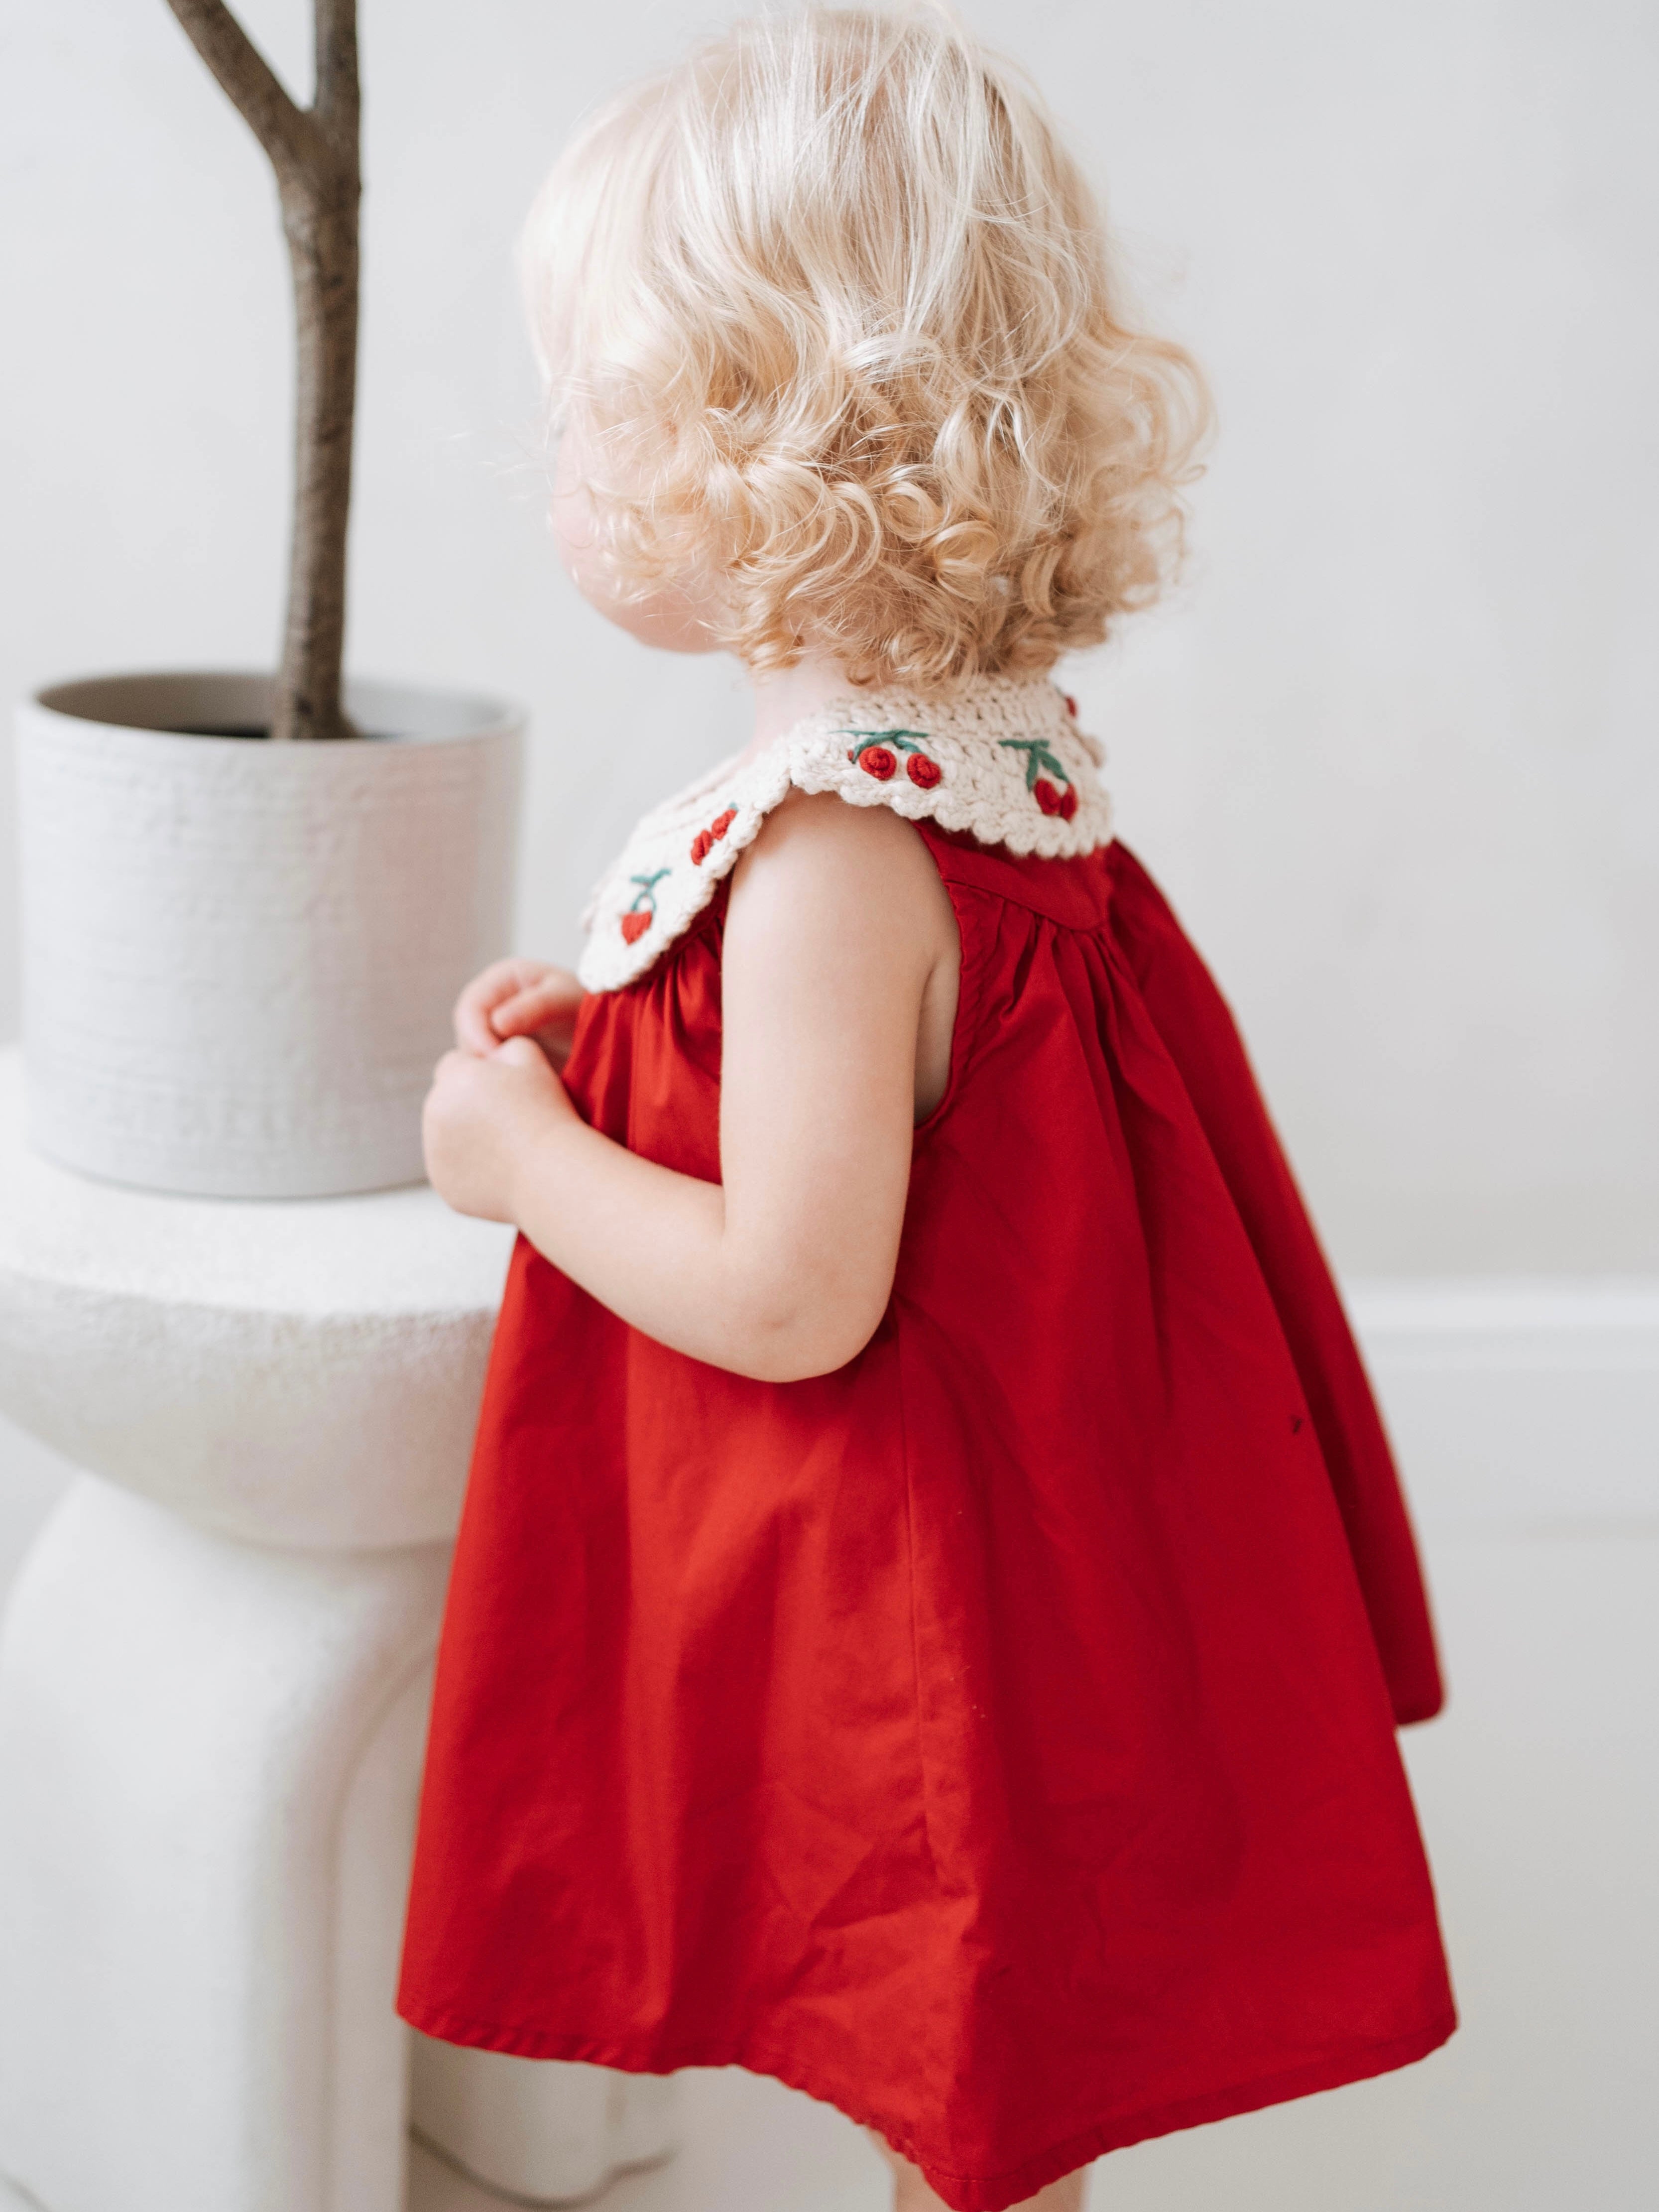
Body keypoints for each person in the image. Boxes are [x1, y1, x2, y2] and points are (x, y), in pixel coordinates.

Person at [397, 9, 1456, 2208]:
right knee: (993, 2051)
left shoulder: (828, 859)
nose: (557, 468)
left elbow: (791, 1289)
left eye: (591, 412)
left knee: (960, 2046)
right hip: (1053, 1518)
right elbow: (934, 1086)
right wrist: (619, 1024)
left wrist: (527, 1159)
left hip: (913, 1583)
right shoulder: (989, 763)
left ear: (748, 446)